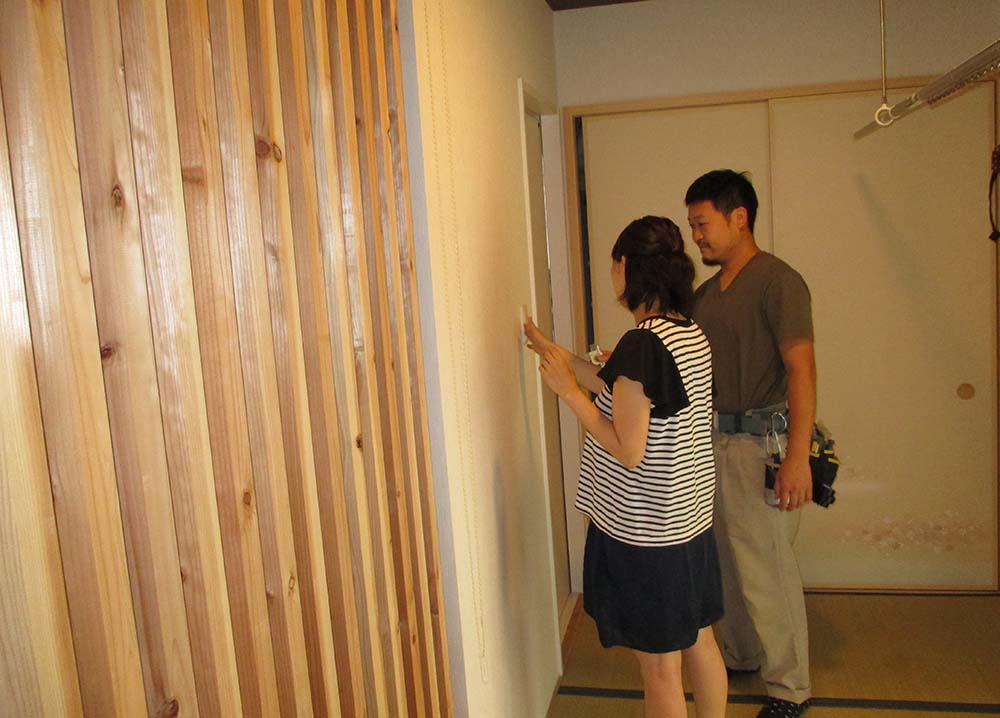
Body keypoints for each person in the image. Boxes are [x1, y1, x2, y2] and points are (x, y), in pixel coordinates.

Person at [525, 216, 727, 718]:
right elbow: (612, 384)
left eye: (614, 264)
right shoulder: (687, 332)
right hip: (687, 524)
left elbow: (628, 447)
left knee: (659, 670)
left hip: (647, 535)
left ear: (627, 268)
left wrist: (567, 394)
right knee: (700, 641)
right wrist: (548, 347)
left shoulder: (643, 342)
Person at [686, 169, 816, 718]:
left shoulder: (779, 282)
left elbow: (801, 370)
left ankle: (789, 689)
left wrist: (797, 457)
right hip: (712, 440)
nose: (696, 236)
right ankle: (741, 655)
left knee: (766, 569)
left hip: (763, 443)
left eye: (703, 224)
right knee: (726, 562)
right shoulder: (705, 295)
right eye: (692, 226)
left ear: (739, 218)